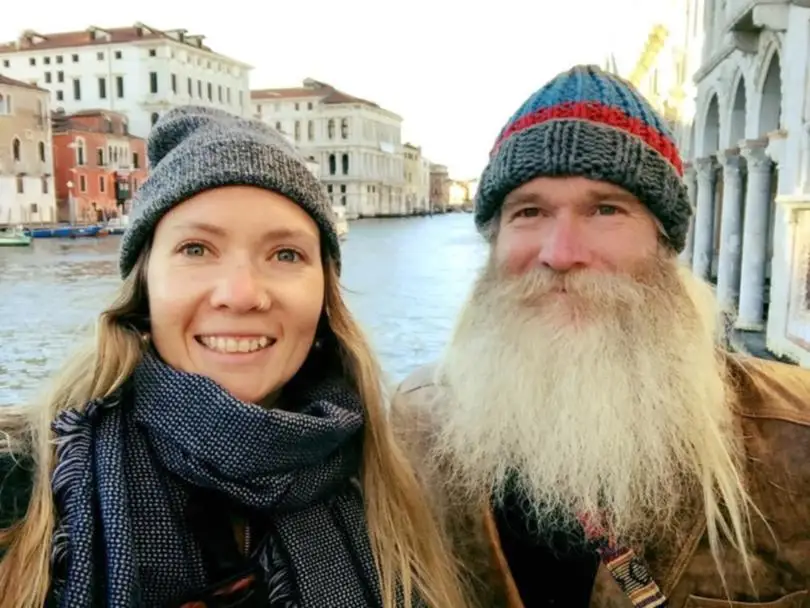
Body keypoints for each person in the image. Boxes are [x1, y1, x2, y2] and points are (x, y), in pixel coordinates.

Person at [0, 106, 468, 608]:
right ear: (145, 286)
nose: (241, 294)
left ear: (325, 297)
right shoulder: (20, 483)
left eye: (285, 255)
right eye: (197, 249)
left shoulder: (390, 485)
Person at [392, 65, 810, 608]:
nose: (561, 253)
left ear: (664, 242)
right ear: (494, 243)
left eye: (606, 209)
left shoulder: (796, 434)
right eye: (530, 212)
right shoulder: (414, 422)